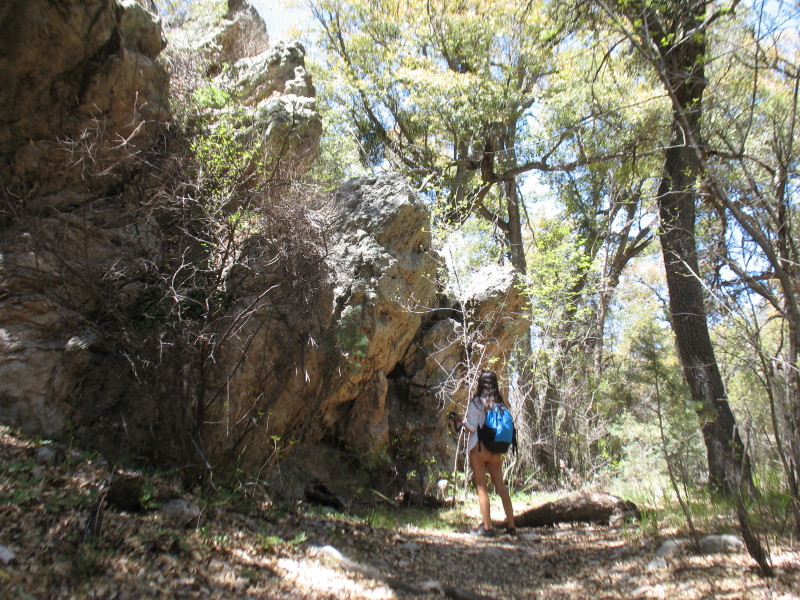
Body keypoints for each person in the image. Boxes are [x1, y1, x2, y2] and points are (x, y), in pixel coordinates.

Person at [463, 370, 516, 537]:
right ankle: (511, 526)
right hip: (496, 450)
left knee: (481, 487)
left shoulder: (477, 402)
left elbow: (472, 427)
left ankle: (487, 527)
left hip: (479, 448)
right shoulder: (500, 404)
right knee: (501, 487)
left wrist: (462, 422)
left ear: (480, 384)